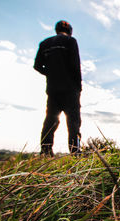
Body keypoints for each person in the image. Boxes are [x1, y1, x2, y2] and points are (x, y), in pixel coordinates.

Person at [34, 20, 82, 156]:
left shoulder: (44, 44)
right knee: (73, 122)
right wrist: (78, 87)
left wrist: (50, 73)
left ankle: (46, 152)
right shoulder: (71, 41)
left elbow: (37, 66)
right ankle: (75, 153)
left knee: (50, 120)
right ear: (70, 30)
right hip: (70, 89)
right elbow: (75, 65)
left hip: (53, 89)